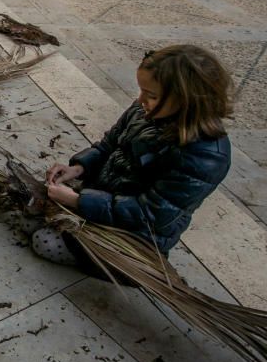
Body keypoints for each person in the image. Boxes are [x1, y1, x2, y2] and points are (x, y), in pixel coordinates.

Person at [36, 45, 233, 266]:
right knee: (31, 210)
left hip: (134, 236)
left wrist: (77, 200)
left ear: (186, 100)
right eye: (141, 91)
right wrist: (77, 168)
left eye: (151, 95)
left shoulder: (205, 156)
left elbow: (150, 213)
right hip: (102, 200)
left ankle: (116, 267)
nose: (140, 100)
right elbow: (109, 144)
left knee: (44, 242)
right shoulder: (144, 110)